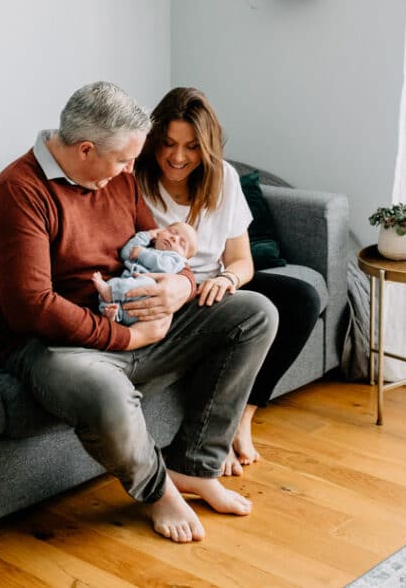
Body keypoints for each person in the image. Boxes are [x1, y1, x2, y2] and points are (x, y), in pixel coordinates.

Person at [0, 81, 278, 543]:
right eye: (123, 160)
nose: (129, 170)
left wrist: (181, 285)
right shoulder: (18, 192)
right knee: (102, 387)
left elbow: (158, 246)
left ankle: (193, 465)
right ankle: (159, 493)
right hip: (57, 344)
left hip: (132, 315)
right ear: (84, 150)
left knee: (254, 313)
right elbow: (31, 309)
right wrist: (128, 339)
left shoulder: (116, 178)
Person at [134, 86, 322, 476]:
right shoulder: (134, 180)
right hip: (170, 294)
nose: (178, 157)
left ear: (207, 147)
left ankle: (245, 414)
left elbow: (241, 260)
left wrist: (227, 278)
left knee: (302, 297)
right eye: (168, 144)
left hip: (213, 287)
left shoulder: (223, 179)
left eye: (191, 147)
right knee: (244, 319)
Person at [92, 222, 198, 324]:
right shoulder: (147, 247)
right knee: (116, 284)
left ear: (184, 258)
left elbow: (164, 267)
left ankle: (110, 291)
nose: (174, 238)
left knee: (146, 283)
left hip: (145, 298)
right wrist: (147, 235)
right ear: (160, 232)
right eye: (172, 232)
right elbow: (126, 253)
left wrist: (142, 254)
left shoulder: (176, 260)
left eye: (182, 243)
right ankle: (112, 314)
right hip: (126, 295)